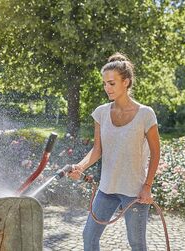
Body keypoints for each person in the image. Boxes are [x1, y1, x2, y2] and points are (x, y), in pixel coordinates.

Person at [68, 52, 160, 251]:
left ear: (125, 82)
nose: (106, 88)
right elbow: (97, 149)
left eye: (112, 83)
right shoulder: (101, 112)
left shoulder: (146, 114)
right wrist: (80, 166)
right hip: (106, 189)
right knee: (89, 237)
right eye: (104, 83)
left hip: (134, 192)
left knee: (137, 244)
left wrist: (147, 186)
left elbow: (155, 153)